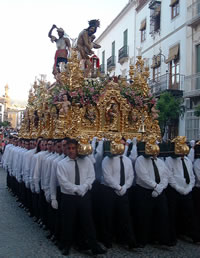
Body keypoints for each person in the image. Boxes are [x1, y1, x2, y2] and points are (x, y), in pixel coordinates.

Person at [56, 138, 106, 256]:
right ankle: (66, 246)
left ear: (78, 149)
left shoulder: (86, 161)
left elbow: (91, 176)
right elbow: (63, 182)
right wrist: (76, 189)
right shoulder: (61, 164)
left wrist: (84, 187)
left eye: (73, 148)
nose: (71, 151)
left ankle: (94, 246)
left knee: (88, 221)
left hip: (84, 196)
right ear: (65, 149)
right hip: (69, 197)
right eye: (69, 148)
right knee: (68, 222)